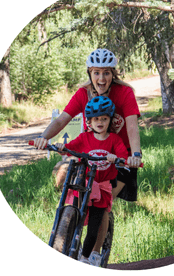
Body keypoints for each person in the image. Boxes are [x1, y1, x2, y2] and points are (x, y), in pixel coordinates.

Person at [33, 48, 142, 259]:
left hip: (119, 158)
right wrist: (43, 138)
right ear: (89, 73)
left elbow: (132, 127)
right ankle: (66, 235)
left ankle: (93, 256)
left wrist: (135, 155)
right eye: (96, 72)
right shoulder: (83, 93)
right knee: (77, 194)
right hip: (90, 156)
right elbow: (61, 120)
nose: (101, 78)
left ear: (113, 73)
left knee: (102, 203)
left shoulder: (124, 93)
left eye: (107, 72)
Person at [55, 96, 128, 266]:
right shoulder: (84, 138)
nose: (100, 122)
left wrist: (116, 158)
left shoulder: (114, 140)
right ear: (90, 121)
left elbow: (123, 156)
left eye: (104, 118)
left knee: (94, 228)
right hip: (83, 186)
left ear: (110, 119)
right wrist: (61, 148)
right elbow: (69, 149)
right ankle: (67, 245)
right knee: (73, 217)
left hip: (101, 189)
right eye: (96, 119)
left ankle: (86, 258)